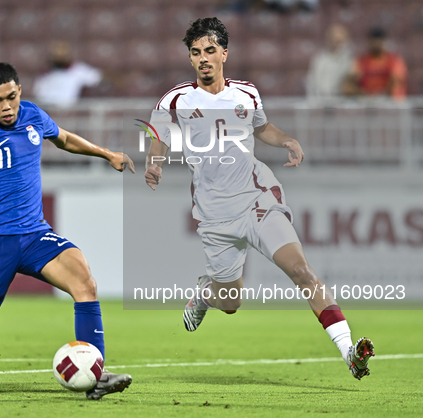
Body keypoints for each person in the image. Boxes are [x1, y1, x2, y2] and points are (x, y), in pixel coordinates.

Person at [144, 17, 374, 380]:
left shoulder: (246, 93)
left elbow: (262, 127)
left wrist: (286, 140)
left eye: (209, 51)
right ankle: (205, 295)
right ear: (190, 58)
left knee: (301, 271)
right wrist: (154, 164)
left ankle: (349, 353)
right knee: (231, 303)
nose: (202, 58)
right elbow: (157, 134)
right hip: (215, 214)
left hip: (257, 200)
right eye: (195, 52)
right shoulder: (175, 100)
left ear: (224, 54)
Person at [0, 62, 134, 399]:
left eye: (11, 97)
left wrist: (106, 154)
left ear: (19, 90)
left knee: (84, 281)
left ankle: (97, 372)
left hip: (35, 234)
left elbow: (63, 139)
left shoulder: (33, 114)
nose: (6, 107)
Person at [32, 41, 102, 107]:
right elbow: (38, 93)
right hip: (48, 109)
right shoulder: (44, 73)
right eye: (57, 54)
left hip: (69, 110)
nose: (59, 56)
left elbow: (96, 77)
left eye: (62, 54)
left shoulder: (77, 69)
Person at [343, 27, 407, 100]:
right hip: (366, 102)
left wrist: (381, 95)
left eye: (378, 42)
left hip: (389, 102)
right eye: (373, 42)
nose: (376, 45)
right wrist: (362, 94)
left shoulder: (393, 60)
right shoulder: (361, 61)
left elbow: (396, 81)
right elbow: (350, 83)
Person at [306, 24, 353, 99]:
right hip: (322, 103)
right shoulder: (320, 60)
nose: (339, 44)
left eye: (340, 41)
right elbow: (313, 86)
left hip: (341, 103)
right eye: (336, 40)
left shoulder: (350, 60)